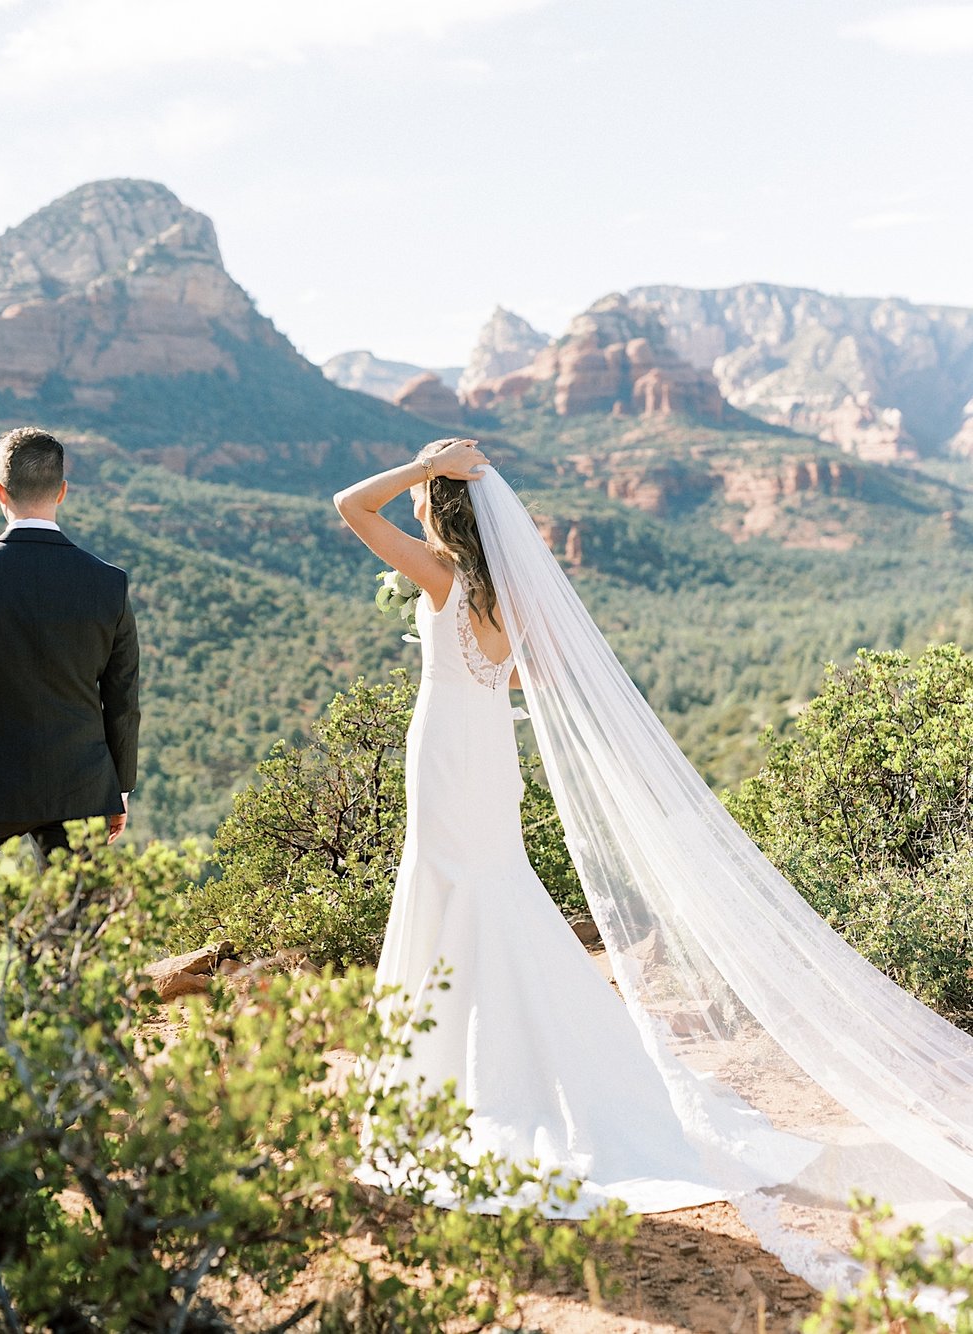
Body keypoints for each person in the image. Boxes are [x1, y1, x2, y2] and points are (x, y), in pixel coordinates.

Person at [334, 438, 973, 1286]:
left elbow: (349, 505)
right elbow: (523, 675)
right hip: (488, 751)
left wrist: (425, 467)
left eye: (426, 491)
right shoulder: (500, 590)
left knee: (451, 887)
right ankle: (510, 1060)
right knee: (493, 888)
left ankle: (450, 1074)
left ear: (439, 505)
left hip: (447, 748)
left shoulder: (440, 576)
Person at [0, 427, 140, 864]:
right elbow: (122, 699)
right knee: (78, 923)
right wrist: (118, 788)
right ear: (62, 491)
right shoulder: (109, 583)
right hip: (79, 789)